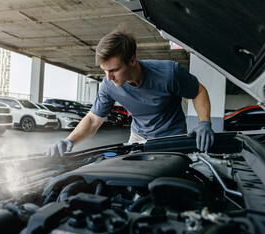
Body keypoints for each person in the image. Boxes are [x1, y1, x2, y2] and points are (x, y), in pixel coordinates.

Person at [46, 28, 214, 157]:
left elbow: (198, 91)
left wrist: (204, 123)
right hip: (137, 137)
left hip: (171, 138)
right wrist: (70, 140)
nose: (109, 77)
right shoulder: (108, 85)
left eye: (114, 70)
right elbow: (92, 119)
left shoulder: (169, 73)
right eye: (105, 71)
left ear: (132, 60)